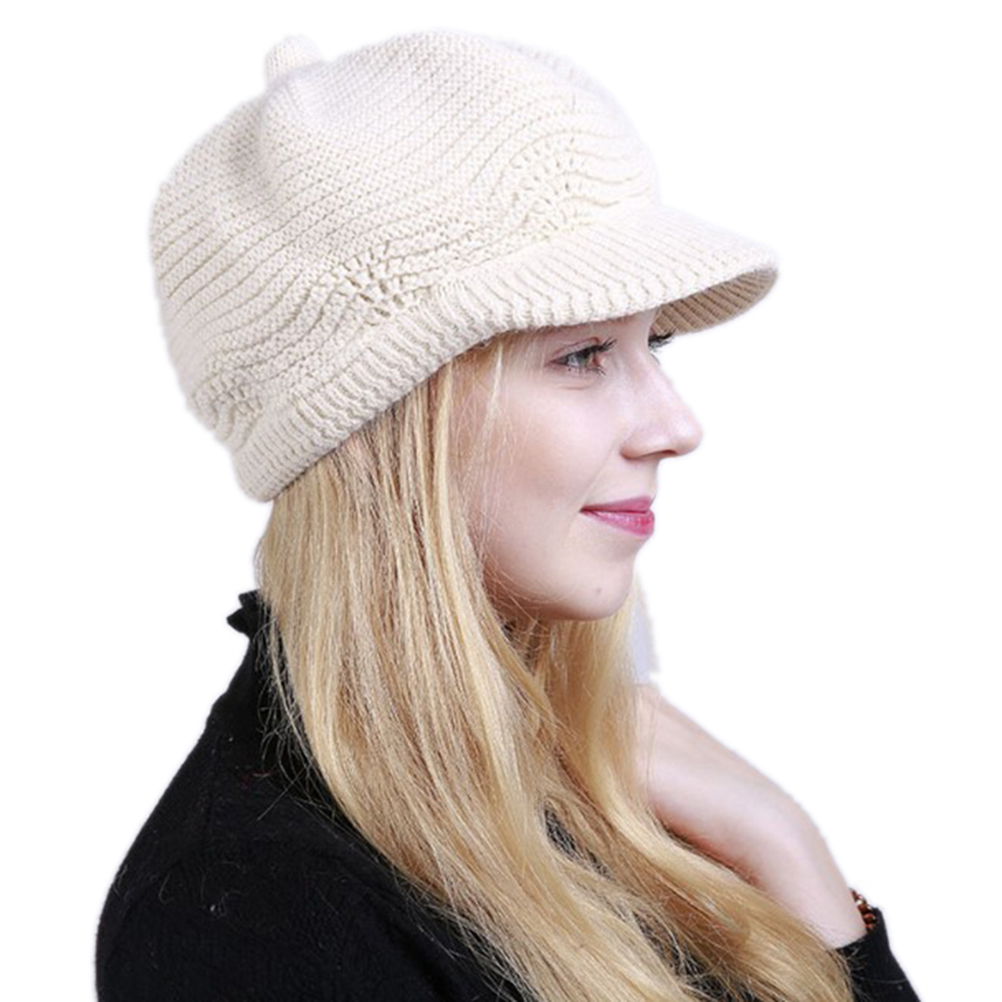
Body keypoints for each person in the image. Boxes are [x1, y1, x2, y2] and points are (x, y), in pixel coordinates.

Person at [96, 31, 920, 1002]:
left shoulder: (597, 786)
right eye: (582, 355)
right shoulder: (246, 912)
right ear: (374, 423)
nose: (676, 426)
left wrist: (785, 851)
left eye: (654, 343)